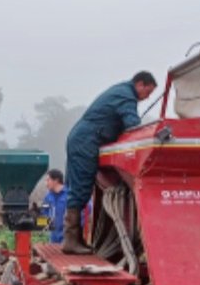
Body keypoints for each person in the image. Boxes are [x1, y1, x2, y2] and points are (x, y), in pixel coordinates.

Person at [63, 71, 158, 254]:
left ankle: (76, 240)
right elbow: (132, 123)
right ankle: (70, 240)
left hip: (84, 138)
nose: (147, 98)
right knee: (81, 187)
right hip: (86, 141)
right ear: (140, 84)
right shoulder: (126, 95)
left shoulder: (120, 91)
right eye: (148, 92)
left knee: (80, 187)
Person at [41, 169, 69, 244]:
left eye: (48, 180)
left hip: (67, 238)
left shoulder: (69, 196)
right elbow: (44, 212)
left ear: (56, 180)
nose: (46, 184)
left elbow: (83, 211)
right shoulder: (47, 197)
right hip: (53, 237)